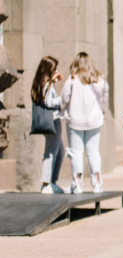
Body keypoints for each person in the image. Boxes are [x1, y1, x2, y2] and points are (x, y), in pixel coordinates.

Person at [61, 52, 109, 194]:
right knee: (93, 151)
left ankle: (77, 184)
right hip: (94, 119)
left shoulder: (72, 79)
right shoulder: (98, 79)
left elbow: (64, 98)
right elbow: (104, 96)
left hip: (75, 120)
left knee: (76, 152)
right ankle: (97, 183)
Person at [31, 56, 65, 193]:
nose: (56, 71)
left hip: (51, 121)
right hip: (53, 120)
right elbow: (49, 102)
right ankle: (46, 183)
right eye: (54, 69)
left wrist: (53, 81)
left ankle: (52, 181)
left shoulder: (42, 83)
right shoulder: (46, 84)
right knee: (51, 152)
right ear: (48, 70)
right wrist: (62, 100)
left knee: (60, 152)